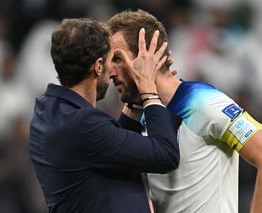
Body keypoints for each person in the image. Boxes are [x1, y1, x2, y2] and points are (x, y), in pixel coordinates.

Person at [107, 9, 262, 213]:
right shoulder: (144, 114)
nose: (110, 71)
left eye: (118, 59)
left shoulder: (204, 102)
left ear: (147, 58)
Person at [29, 18, 181, 213]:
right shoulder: (83, 124)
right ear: (99, 65)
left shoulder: (49, 111)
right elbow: (165, 154)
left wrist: (135, 94)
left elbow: (112, 145)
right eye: (113, 60)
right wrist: (148, 90)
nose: (113, 72)